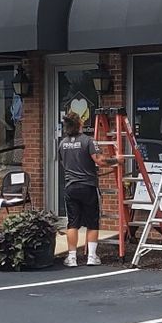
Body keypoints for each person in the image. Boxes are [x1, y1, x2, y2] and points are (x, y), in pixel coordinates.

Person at [56, 111, 105, 266]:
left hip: (71, 187)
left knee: (72, 223)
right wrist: (116, 160)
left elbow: (63, 162)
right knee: (92, 222)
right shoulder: (88, 141)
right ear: (80, 124)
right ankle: (92, 257)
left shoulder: (62, 143)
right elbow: (100, 160)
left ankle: (72, 258)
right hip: (88, 186)